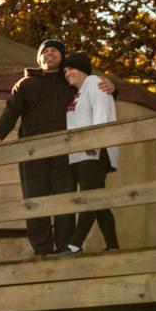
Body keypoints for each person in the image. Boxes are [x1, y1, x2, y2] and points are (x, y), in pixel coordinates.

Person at [0, 39, 115, 255]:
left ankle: (65, 248)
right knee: (34, 201)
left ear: (62, 57)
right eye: (45, 51)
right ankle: (42, 250)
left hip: (65, 153)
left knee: (66, 200)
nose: (49, 53)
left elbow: (95, 94)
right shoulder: (26, 84)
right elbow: (11, 111)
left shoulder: (70, 81)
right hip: (32, 153)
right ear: (39, 58)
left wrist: (114, 88)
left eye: (54, 51)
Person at [55, 51, 120, 255]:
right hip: (81, 154)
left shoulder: (93, 82)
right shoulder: (78, 93)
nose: (67, 73)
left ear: (82, 69)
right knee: (98, 200)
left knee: (90, 198)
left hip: (94, 151)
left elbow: (101, 111)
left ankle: (74, 245)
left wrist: (95, 142)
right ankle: (113, 245)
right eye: (65, 70)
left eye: (71, 68)